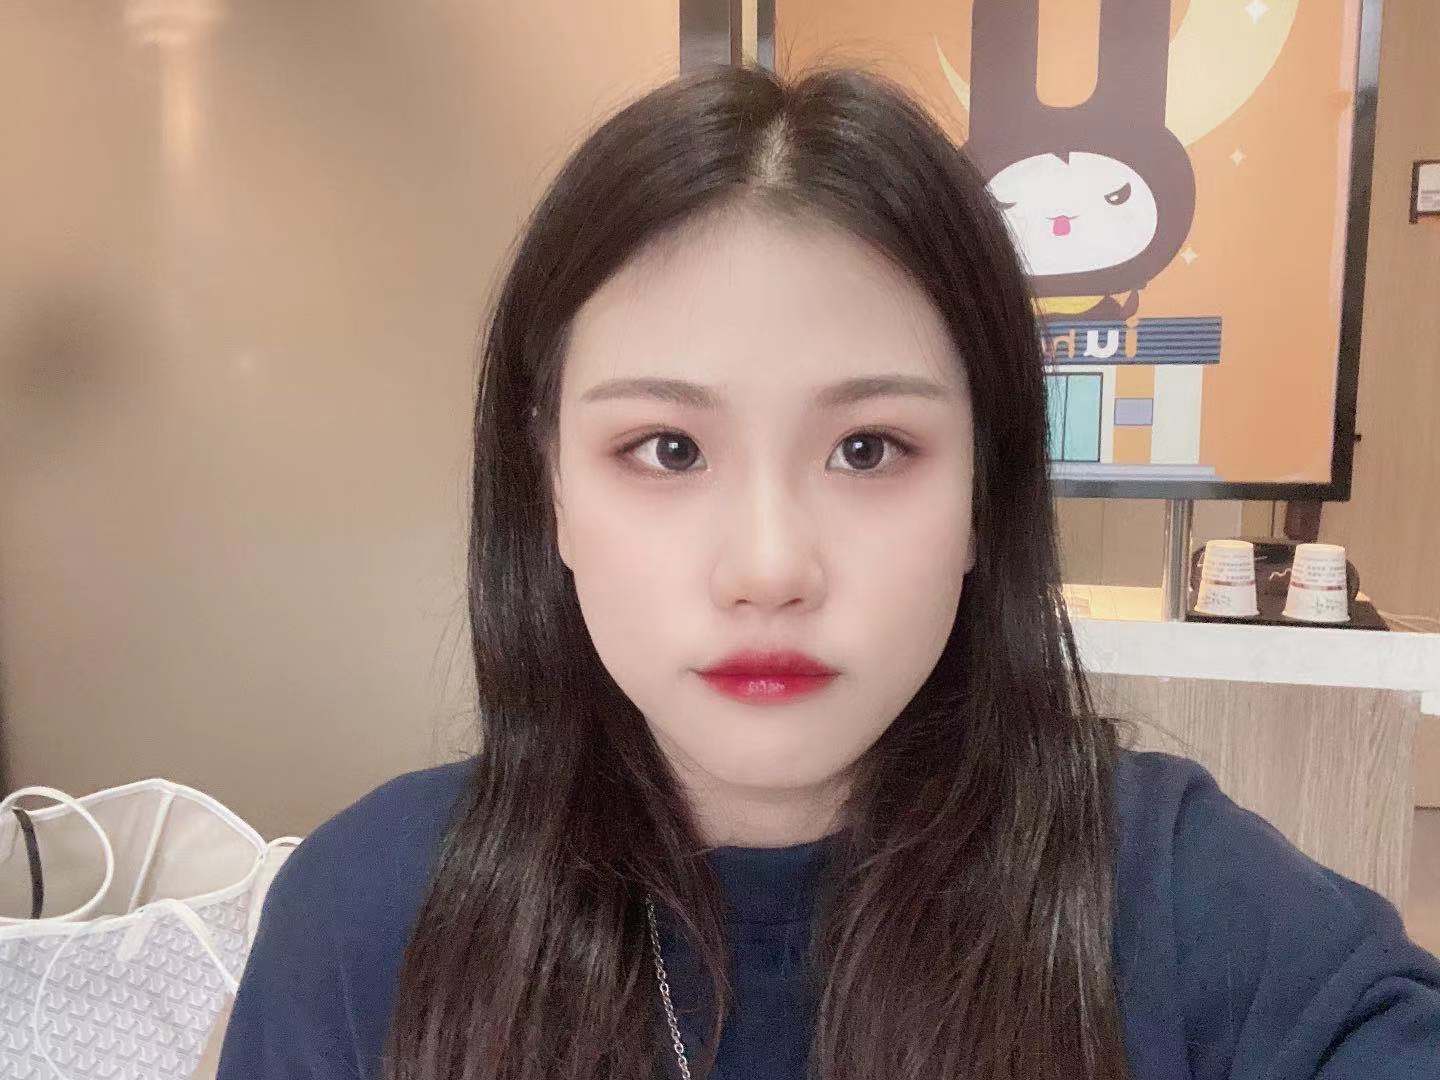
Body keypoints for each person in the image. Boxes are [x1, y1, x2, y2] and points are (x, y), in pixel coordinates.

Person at [215, 63, 1440, 1080]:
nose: (769, 568)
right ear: (551, 495)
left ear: (983, 496)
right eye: (667, 448)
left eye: (869, 449)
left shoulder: (1181, 905)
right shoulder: (366, 921)